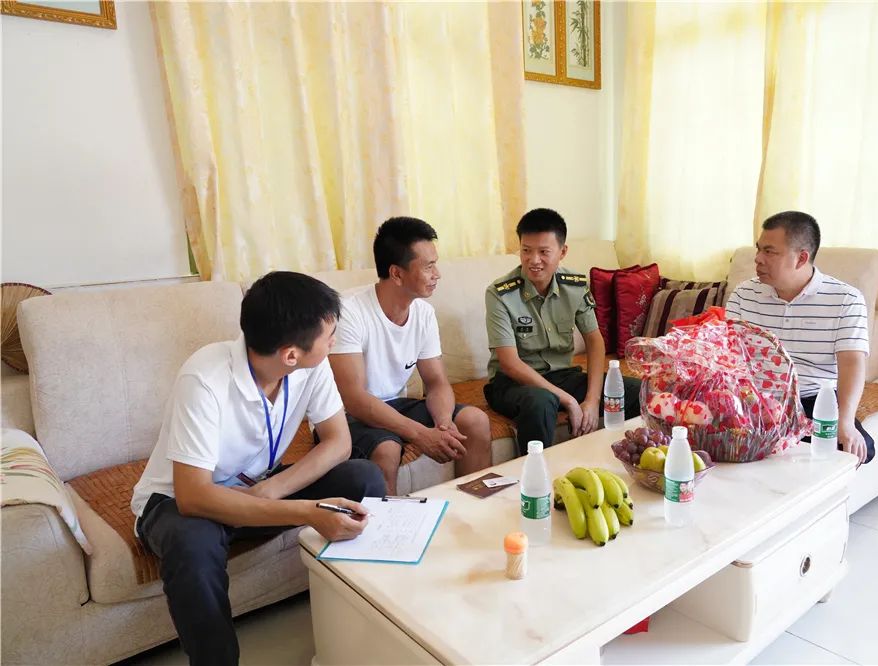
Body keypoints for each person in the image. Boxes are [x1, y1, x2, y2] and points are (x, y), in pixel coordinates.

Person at [130, 271, 386, 666]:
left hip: (260, 487)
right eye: (329, 335)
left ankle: (367, 616)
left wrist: (269, 492)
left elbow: (339, 442)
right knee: (192, 542)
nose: (334, 341)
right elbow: (193, 495)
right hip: (181, 503)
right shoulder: (204, 378)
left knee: (363, 477)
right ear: (290, 355)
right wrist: (308, 511)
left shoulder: (311, 366)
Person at [329, 217, 492, 494]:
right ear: (396, 273)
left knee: (474, 421)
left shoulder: (423, 313)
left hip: (396, 404)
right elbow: (354, 399)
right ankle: (389, 523)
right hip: (344, 415)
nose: (437, 274)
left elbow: (437, 382)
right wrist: (421, 434)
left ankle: (473, 510)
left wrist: (443, 424)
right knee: (387, 449)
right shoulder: (349, 312)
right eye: (428, 266)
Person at [484, 208, 641, 455]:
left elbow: (594, 341)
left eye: (544, 252)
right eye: (526, 250)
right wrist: (568, 400)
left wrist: (592, 401)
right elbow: (510, 364)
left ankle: (616, 461)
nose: (533, 260)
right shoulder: (500, 294)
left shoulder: (575, 286)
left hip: (562, 376)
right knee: (542, 401)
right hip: (512, 384)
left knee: (636, 391)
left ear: (563, 252)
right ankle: (536, 474)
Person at [725, 210, 875, 464]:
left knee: (857, 449)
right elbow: (726, 355)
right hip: (755, 400)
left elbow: (852, 362)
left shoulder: (846, 300)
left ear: (801, 258)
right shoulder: (743, 294)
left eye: (769, 252)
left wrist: (846, 422)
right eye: (759, 249)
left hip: (812, 400)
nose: (758, 259)